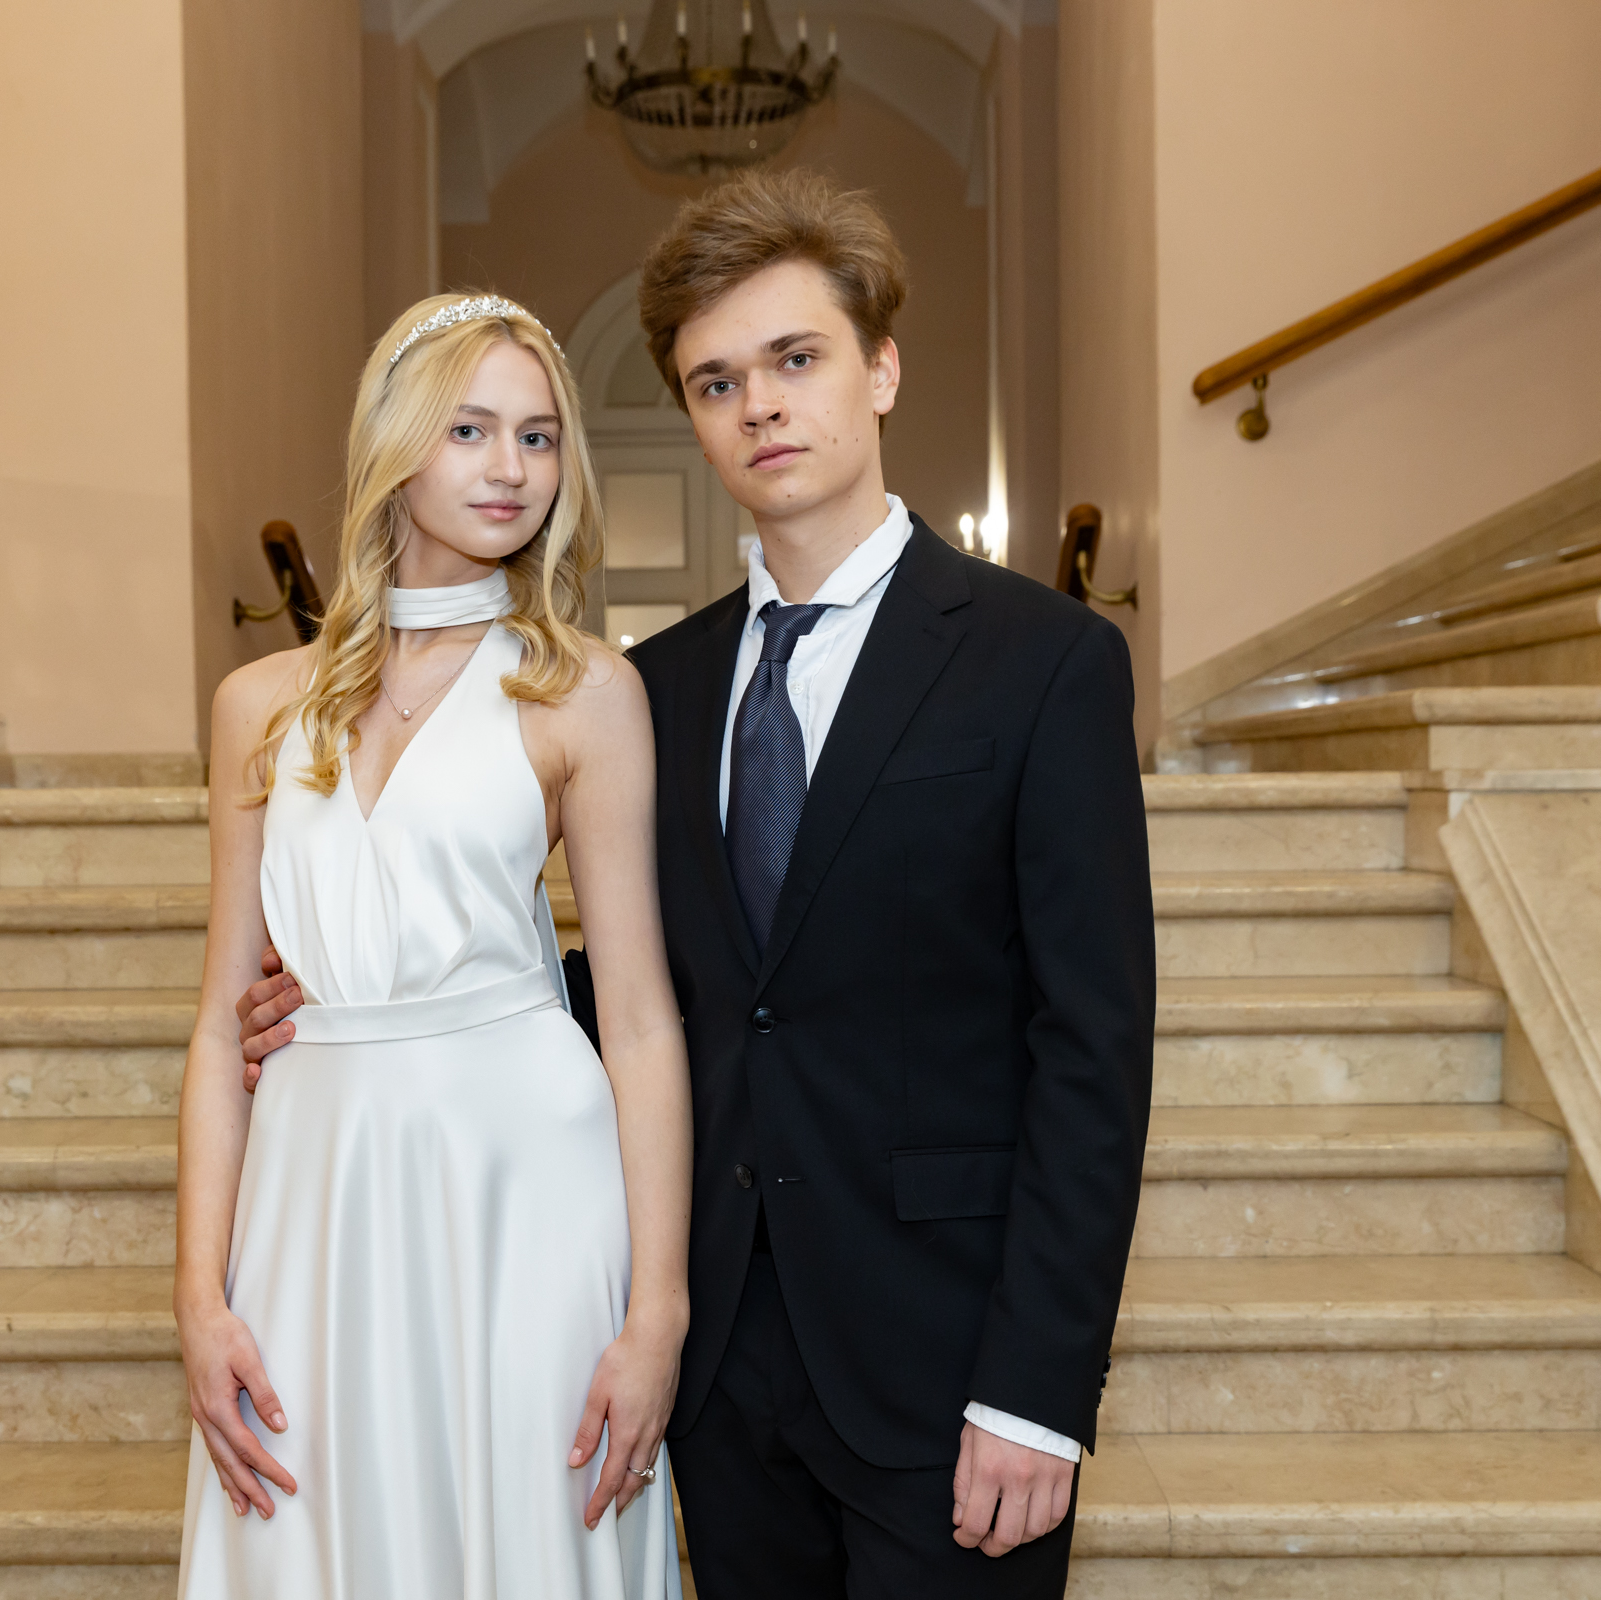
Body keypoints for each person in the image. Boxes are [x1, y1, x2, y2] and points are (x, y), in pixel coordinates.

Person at [242, 170, 1156, 1598]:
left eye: (796, 360)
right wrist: (380, 999)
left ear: (882, 370)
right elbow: (669, 979)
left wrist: (1037, 1389)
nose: (760, 408)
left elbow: (1094, 1046)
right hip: (722, 1365)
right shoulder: (655, 685)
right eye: (717, 382)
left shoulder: (1044, 662)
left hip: (944, 1360)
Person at [175, 292, 690, 1600]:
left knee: (527, 1536)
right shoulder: (256, 706)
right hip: (314, 1188)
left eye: (538, 435)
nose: (511, 466)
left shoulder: (584, 691)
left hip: (528, 1188)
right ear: (396, 446)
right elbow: (219, 1024)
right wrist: (199, 1299)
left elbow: (638, 1020)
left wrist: (658, 1311)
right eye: (469, 429)